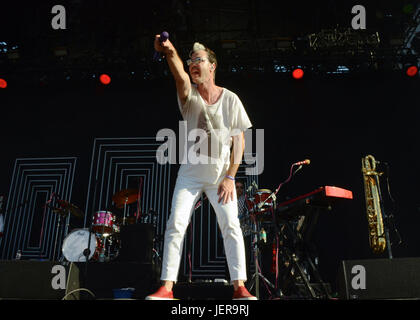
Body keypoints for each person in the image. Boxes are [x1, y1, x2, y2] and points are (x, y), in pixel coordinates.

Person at [145, 34, 256, 300]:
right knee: (176, 223)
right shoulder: (188, 95)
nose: (193, 64)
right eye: (190, 60)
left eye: (199, 59)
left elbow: (238, 141)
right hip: (191, 172)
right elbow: (180, 75)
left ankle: (239, 286)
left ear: (212, 66)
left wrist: (231, 176)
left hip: (220, 174)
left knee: (231, 225)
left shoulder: (230, 99)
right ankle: (167, 288)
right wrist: (169, 50)